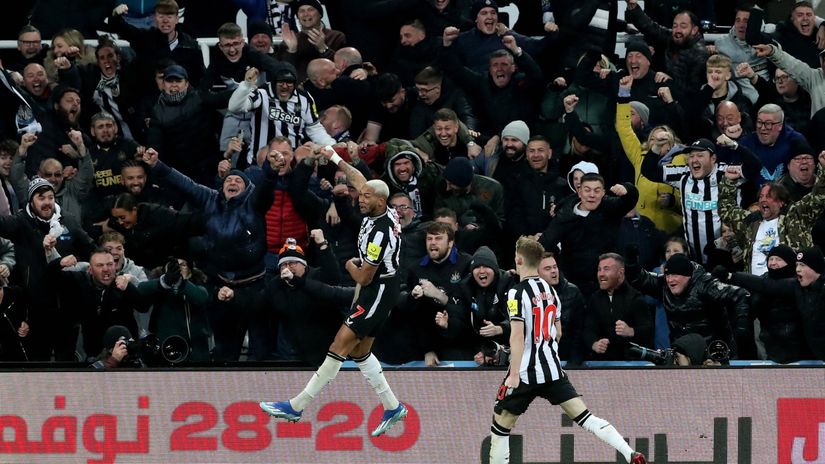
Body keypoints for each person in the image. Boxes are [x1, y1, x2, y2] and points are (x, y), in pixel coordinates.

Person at [260, 146, 408, 438]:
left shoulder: (380, 233)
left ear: (381, 201)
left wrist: (349, 264)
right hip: (380, 289)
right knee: (360, 352)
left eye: (366, 198)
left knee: (339, 345)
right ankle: (392, 407)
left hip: (376, 289)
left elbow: (364, 276)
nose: (360, 200)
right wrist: (334, 156)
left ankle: (297, 404)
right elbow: (356, 178)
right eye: (361, 195)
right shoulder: (381, 205)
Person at [489, 236, 647, 464]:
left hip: (525, 373)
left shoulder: (516, 293)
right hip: (552, 370)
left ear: (518, 259)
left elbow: (517, 335)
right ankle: (629, 452)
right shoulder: (551, 291)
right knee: (586, 417)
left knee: (500, 428)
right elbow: (559, 332)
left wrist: (513, 375)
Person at [719, 150, 825, 275]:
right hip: (756, 286)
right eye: (761, 196)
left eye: (769, 196)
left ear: (781, 202)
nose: (763, 199)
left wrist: (823, 169)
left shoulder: (796, 216)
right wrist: (728, 182)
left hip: (789, 285)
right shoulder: (750, 221)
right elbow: (726, 210)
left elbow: (818, 197)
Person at [724, 246, 825, 360]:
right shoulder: (796, 285)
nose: (797, 269)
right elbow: (765, 285)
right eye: (797, 265)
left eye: (802, 265)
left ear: (815, 267)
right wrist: (731, 276)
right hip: (805, 357)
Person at [584, 253, 653, 361]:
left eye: (606, 269)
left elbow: (648, 331)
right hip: (601, 364)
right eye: (599, 269)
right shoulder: (595, 299)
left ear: (620, 273)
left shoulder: (635, 299)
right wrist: (594, 344)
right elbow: (588, 329)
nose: (601, 274)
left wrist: (631, 331)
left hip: (630, 364)